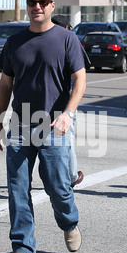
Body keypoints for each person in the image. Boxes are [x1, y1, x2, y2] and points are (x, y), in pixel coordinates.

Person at [0, 0, 86, 253]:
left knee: (58, 186)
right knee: (17, 187)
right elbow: (5, 84)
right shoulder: (14, 42)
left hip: (54, 122)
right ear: (27, 4)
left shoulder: (67, 39)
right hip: (20, 123)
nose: (38, 7)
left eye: (44, 2)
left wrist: (68, 113)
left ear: (52, 6)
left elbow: (80, 80)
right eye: (33, 2)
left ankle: (68, 221)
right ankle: (23, 248)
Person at [51, 14, 84, 188]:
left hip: (44, 100)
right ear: (66, 28)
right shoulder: (69, 42)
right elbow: (80, 76)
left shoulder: (46, 40)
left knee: (41, 141)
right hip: (65, 99)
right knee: (66, 138)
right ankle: (71, 176)